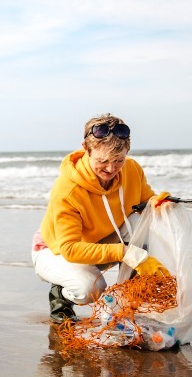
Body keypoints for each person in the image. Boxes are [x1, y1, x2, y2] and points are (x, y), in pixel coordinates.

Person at [32, 114, 172, 323]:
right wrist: (126, 253)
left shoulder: (132, 169)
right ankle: (60, 295)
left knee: (141, 222)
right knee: (91, 289)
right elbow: (70, 248)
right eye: (102, 161)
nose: (110, 169)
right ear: (86, 149)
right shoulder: (67, 190)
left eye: (118, 160)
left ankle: (129, 300)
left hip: (101, 241)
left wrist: (160, 204)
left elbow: (145, 202)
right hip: (55, 251)